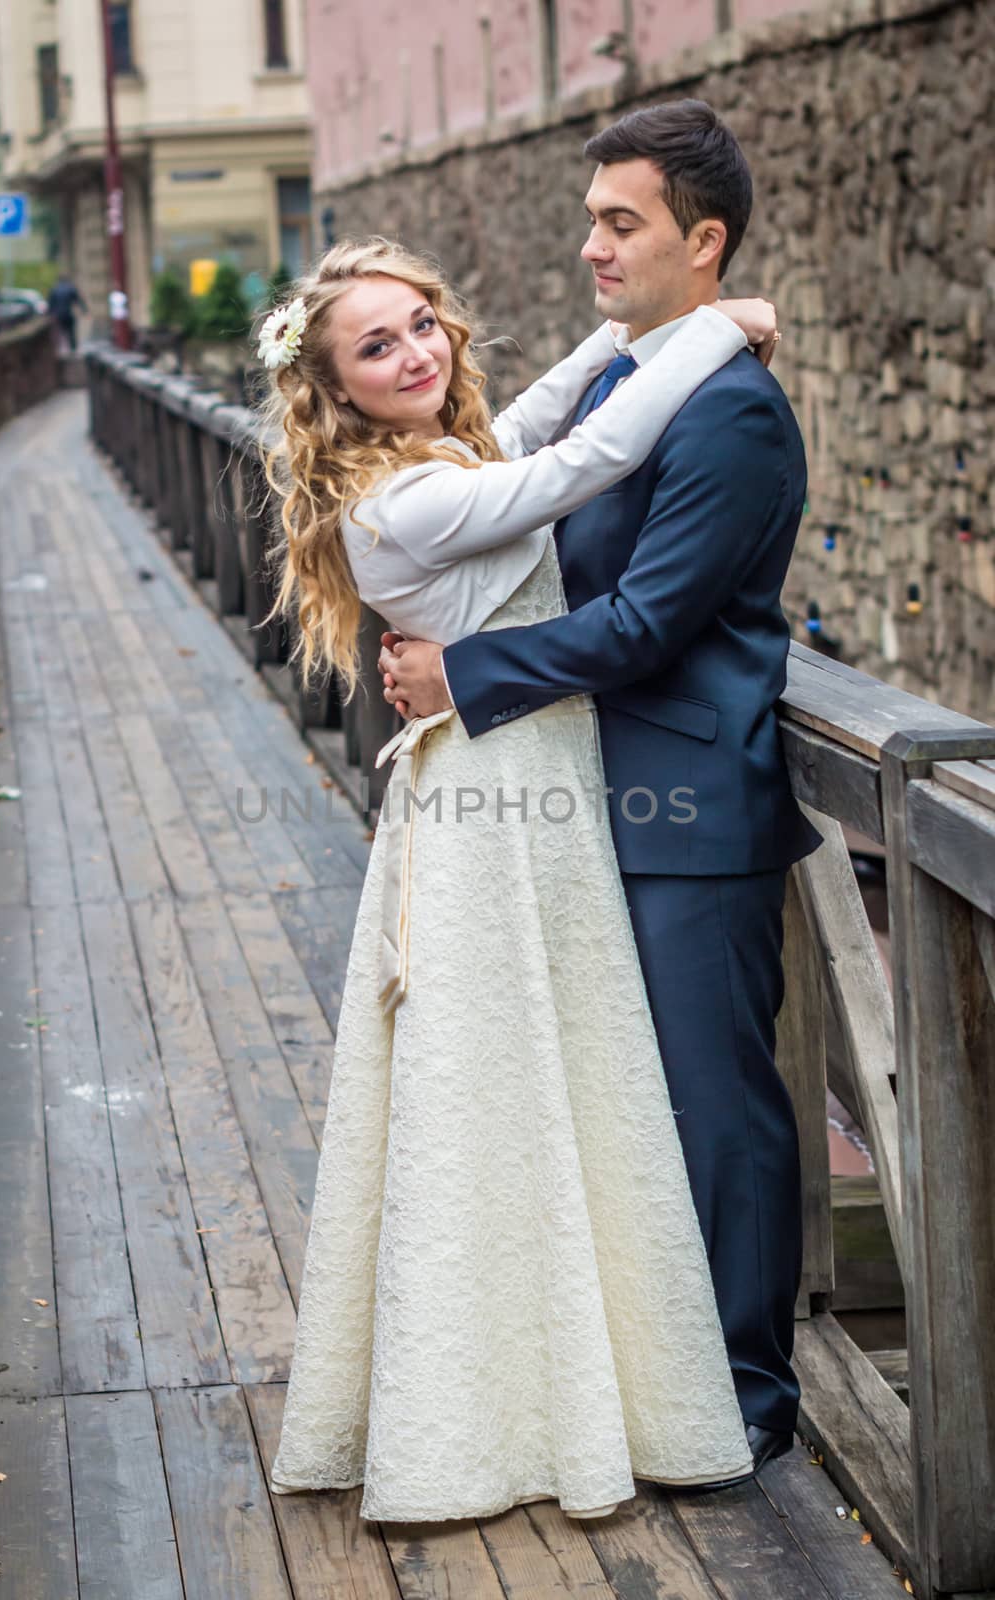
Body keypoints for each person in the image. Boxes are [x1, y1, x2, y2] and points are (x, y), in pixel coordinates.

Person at [257, 231, 783, 1523]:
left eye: (423, 323)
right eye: (375, 347)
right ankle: (507, 1398)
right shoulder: (404, 499)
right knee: (509, 1080)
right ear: (332, 389)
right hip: (501, 807)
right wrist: (713, 333)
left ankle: (592, 1362)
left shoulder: (438, 454)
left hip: (526, 786)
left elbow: (540, 412)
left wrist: (635, 332)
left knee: (570, 1069)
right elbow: (585, 461)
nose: (415, 353)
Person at [381, 99, 824, 1488]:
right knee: (620, 1108)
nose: (591, 246)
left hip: (692, 806)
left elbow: (644, 623)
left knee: (717, 1111)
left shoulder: (736, 418)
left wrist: (468, 674)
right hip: (589, 797)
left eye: (619, 222)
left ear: (703, 240)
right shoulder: (640, 377)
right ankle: (651, 1379)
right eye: (589, 219)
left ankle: (748, 1399)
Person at [47, 273, 87, 352]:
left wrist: (49, 314)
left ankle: (61, 349)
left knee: (61, 333)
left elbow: (50, 303)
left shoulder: (55, 289)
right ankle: (73, 349)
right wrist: (84, 310)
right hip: (68, 314)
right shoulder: (70, 288)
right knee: (71, 332)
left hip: (59, 315)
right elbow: (78, 300)